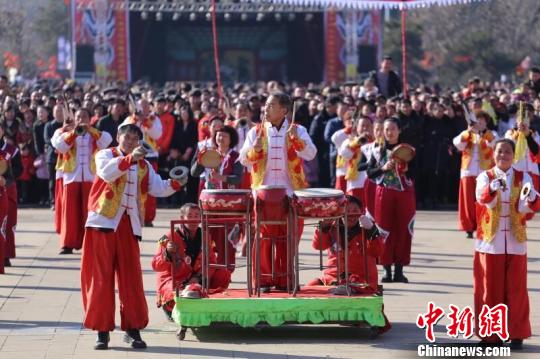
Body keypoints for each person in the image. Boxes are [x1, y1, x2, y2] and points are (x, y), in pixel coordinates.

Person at [80, 123, 183, 350]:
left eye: (135, 138)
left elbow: (158, 187)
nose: (130, 141)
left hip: (129, 225)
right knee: (100, 279)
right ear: (118, 137)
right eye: (127, 136)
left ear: (139, 141)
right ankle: (102, 331)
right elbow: (107, 172)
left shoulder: (144, 165)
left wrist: (177, 182)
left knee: (131, 280)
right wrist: (129, 159)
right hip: (102, 223)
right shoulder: (105, 154)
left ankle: (133, 328)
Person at [240, 92, 317, 292]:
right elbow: (243, 160)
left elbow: (311, 153)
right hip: (263, 193)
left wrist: (296, 141)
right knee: (263, 238)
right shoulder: (255, 132)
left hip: (290, 193)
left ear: (284, 110)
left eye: (271, 105)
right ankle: (263, 279)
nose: (265, 108)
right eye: (265, 105)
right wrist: (253, 151)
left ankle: (284, 279)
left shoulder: (297, 130)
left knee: (288, 238)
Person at [474, 138, 540, 350]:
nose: (503, 155)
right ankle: (490, 335)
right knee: (489, 289)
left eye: (507, 152)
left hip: (515, 241)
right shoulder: (485, 176)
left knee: (517, 289)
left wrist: (531, 195)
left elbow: (525, 207)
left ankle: (517, 333)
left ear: (514, 155)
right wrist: (492, 188)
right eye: (499, 151)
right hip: (490, 242)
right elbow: (484, 199)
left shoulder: (524, 177)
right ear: (494, 154)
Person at [151, 203, 231, 320]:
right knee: (173, 291)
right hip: (175, 279)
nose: (194, 219)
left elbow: (212, 262)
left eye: (197, 215)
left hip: (197, 277)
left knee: (223, 273)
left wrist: (198, 277)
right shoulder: (167, 236)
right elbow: (155, 265)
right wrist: (167, 253)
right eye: (190, 215)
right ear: (182, 218)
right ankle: (172, 308)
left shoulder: (205, 235)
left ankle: (207, 301)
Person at [52, 108, 112, 254]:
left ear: (90, 119)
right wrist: (72, 132)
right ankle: (67, 243)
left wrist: (91, 130)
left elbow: (107, 141)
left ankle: (91, 243)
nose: (81, 119)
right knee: (70, 213)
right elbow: (59, 146)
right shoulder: (64, 132)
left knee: (90, 212)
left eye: (84, 116)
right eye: (78, 116)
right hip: (71, 176)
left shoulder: (96, 133)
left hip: (90, 177)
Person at [366, 117, 415, 283]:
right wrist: (382, 168)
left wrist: (406, 169)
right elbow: (369, 173)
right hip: (383, 193)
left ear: (399, 130)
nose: (390, 132)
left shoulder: (409, 150)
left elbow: (420, 173)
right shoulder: (377, 150)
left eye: (393, 128)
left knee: (404, 230)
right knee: (383, 230)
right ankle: (387, 270)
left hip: (405, 194)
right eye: (387, 129)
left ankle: (399, 271)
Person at [192, 125, 243, 270]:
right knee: (208, 237)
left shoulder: (235, 156)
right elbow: (194, 173)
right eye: (219, 135)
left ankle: (226, 271)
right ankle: (209, 270)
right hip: (210, 203)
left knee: (227, 239)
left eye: (225, 136)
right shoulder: (209, 154)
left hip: (229, 205)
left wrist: (222, 177)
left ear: (231, 139)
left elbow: (238, 178)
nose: (221, 138)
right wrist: (200, 160)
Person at [308, 195, 382, 292]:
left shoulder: (367, 227)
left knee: (350, 287)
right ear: (340, 211)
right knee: (310, 286)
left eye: (355, 210)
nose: (351, 214)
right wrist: (323, 228)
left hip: (361, 279)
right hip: (333, 278)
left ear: (361, 212)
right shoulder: (332, 226)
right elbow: (318, 246)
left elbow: (378, 252)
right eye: (347, 210)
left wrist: (372, 230)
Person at [452, 112, 497, 238]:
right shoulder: (466, 134)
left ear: (486, 123)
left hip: (485, 172)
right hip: (468, 171)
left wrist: (485, 134)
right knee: (467, 202)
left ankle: (484, 225)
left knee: (484, 200)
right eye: (477, 121)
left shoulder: (492, 134)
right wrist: (468, 132)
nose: (479, 123)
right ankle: (469, 228)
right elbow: (458, 144)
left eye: (482, 121)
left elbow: (494, 143)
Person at [121, 98, 162, 226]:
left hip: (150, 156)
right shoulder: (129, 119)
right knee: (133, 186)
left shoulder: (154, 119)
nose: (143, 109)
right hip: (134, 156)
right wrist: (135, 120)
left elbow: (157, 135)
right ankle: (134, 215)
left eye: (146, 106)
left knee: (149, 187)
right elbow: (122, 131)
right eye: (141, 106)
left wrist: (145, 121)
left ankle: (148, 217)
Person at [0, 125, 21, 267]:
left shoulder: (11, 150)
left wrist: (6, 180)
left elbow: (19, 169)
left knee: (8, 223)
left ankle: (6, 255)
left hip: (7, 189)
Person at [339, 117, 374, 204]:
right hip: (355, 182)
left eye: (368, 126)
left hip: (372, 182)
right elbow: (345, 155)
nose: (365, 128)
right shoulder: (349, 141)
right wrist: (357, 142)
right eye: (362, 126)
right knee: (354, 211)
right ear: (357, 128)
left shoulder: (376, 143)